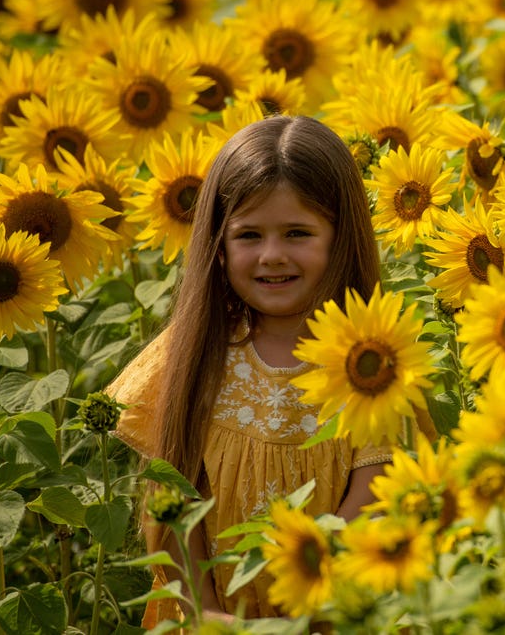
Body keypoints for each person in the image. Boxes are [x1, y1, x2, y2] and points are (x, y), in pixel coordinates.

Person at [108, 115, 424, 624]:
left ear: (341, 237)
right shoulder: (195, 351)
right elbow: (173, 503)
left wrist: (307, 613)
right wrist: (213, 617)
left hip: (339, 612)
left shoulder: (372, 359)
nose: (272, 256)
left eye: (297, 232)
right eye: (249, 235)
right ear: (218, 242)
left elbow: (374, 496)